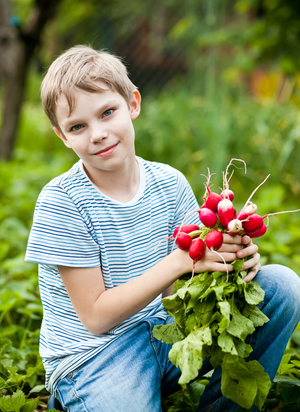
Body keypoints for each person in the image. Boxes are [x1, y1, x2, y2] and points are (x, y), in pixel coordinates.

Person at [25, 45, 300, 412]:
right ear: (63, 136)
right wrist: (178, 261)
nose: (98, 134)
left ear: (133, 103)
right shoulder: (62, 202)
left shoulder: (168, 183)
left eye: (108, 112)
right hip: (97, 357)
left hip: (164, 332)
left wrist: (231, 259)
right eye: (78, 126)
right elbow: (96, 317)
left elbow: (183, 283)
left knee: (282, 287)